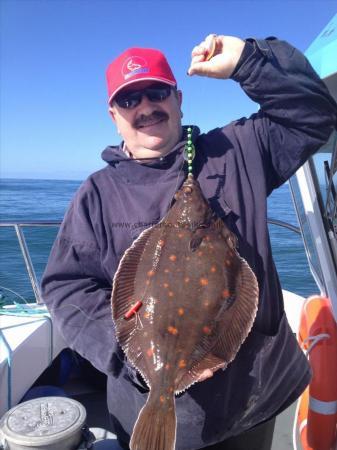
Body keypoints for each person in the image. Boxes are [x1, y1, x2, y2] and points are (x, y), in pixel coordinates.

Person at [41, 34, 337, 450]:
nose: (145, 107)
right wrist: (130, 354)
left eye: (157, 92)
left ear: (178, 98)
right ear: (113, 114)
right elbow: (64, 286)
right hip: (156, 409)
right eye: (130, 100)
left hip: (258, 395)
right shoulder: (96, 194)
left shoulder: (237, 150)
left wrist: (250, 62)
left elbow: (314, 115)